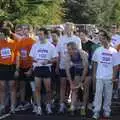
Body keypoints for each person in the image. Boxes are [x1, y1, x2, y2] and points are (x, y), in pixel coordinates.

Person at [29, 28, 58, 115]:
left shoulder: (51, 46)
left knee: (48, 89)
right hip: (37, 68)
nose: (39, 36)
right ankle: (39, 107)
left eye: (41, 34)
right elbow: (31, 57)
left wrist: (48, 61)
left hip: (46, 69)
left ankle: (48, 105)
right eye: (38, 34)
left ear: (45, 35)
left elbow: (56, 58)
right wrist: (36, 61)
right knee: (37, 89)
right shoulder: (35, 45)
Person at [56, 22, 82, 113]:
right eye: (66, 27)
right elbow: (58, 53)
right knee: (63, 85)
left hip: (74, 66)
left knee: (74, 86)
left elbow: (79, 52)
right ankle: (62, 105)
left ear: (73, 28)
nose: (67, 29)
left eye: (68, 27)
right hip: (63, 65)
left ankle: (72, 105)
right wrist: (57, 66)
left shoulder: (77, 39)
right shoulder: (61, 39)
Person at [92, 30, 118, 119]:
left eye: (102, 37)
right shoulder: (98, 50)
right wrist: (94, 76)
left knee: (108, 95)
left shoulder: (114, 51)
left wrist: (114, 77)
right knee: (98, 94)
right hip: (99, 76)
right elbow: (94, 63)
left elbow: (116, 65)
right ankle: (96, 112)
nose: (101, 39)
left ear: (107, 38)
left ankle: (107, 111)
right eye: (100, 37)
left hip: (109, 77)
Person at [64, 42, 88, 115]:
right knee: (74, 88)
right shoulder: (68, 55)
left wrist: (81, 81)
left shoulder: (81, 53)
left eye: (69, 49)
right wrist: (71, 83)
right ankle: (72, 107)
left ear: (74, 49)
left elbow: (86, 68)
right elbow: (67, 70)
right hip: (78, 70)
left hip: (87, 71)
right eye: (67, 49)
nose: (68, 51)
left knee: (85, 89)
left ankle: (83, 107)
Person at [0, 28, 19, 114]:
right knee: (2, 88)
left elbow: (17, 58)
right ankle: (2, 106)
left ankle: (12, 107)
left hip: (11, 67)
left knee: (12, 88)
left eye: (1, 34)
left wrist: (17, 69)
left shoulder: (14, 43)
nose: (0, 35)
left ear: (5, 34)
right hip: (2, 67)